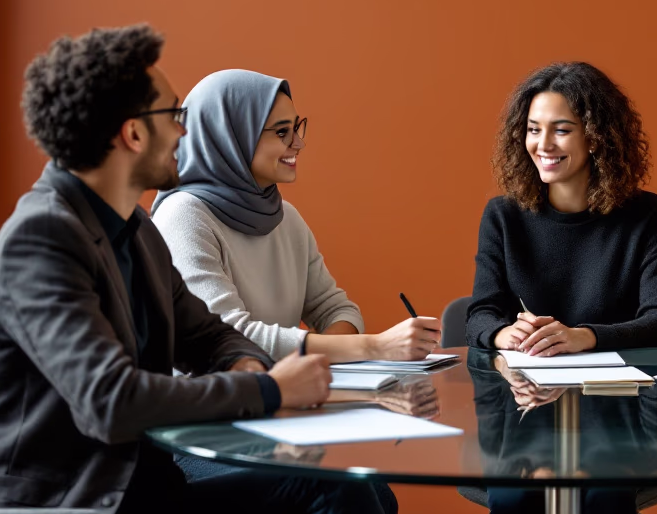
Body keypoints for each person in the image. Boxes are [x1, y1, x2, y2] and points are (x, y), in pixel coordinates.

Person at [0, 25, 449, 514]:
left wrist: (243, 364)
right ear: (133, 133)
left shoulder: (133, 230)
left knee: (335, 491)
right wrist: (267, 393)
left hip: (143, 490)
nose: (186, 129)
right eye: (174, 114)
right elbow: (111, 402)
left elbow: (209, 334)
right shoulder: (43, 240)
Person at [466, 62, 657, 514]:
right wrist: (504, 335)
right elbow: (480, 314)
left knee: (603, 487)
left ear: (596, 135)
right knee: (511, 500)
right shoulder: (504, 215)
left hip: (619, 412)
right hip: (525, 411)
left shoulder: (644, 214)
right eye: (533, 129)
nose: (543, 144)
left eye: (560, 129)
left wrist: (584, 335)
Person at [152, 68, 442, 364]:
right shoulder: (183, 217)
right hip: (216, 404)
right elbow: (228, 337)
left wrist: (311, 363)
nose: (298, 144)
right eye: (281, 132)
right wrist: (371, 347)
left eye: (296, 127)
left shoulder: (286, 218)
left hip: (283, 396)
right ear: (230, 135)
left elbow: (339, 310)